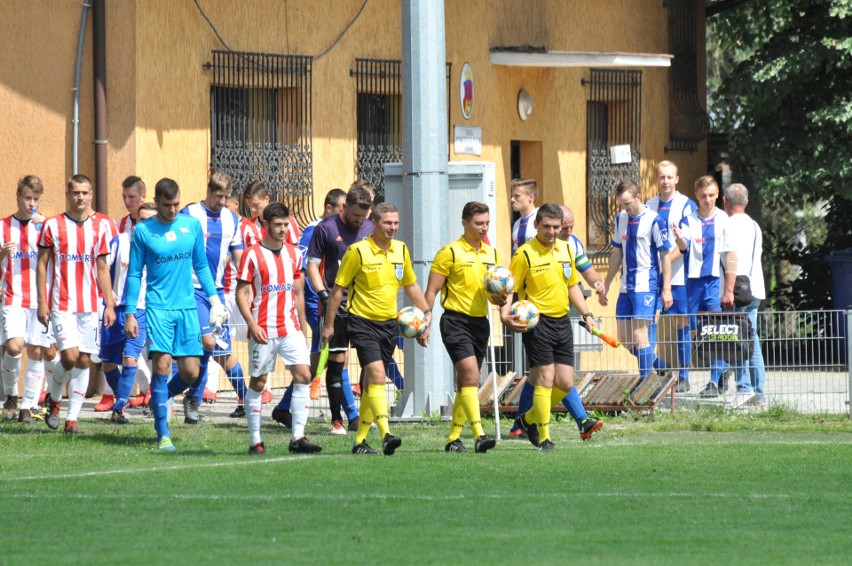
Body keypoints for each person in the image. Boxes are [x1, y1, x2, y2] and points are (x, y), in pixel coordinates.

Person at [322, 202, 431, 455]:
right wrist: (329, 324)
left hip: (389, 324)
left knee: (373, 386)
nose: (392, 227)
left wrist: (426, 314)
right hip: (361, 323)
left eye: (395, 223)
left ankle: (360, 442)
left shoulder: (401, 250)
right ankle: (386, 434)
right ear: (374, 223)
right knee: (378, 376)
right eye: (387, 223)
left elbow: (411, 285)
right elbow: (338, 291)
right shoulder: (357, 251)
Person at [124, 178, 224, 450]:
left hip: (187, 307)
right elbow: (134, 274)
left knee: (191, 373)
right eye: (167, 205)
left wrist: (214, 301)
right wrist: (131, 312)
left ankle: (161, 397)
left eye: (177, 204)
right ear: (157, 202)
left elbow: (201, 266)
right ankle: (163, 432)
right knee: (162, 366)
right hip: (158, 308)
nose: (173, 210)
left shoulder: (190, 226)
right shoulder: (144, 231)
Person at [274, 184, 373, 429]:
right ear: (343, 207)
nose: (360, 221)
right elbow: (309, 268)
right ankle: (349, 416)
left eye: (364, 216)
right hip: (326, 305)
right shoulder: (320, 229)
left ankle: (284, 407)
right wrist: (323, 297)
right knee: (335, 357)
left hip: (361, 306)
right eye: (356, 215)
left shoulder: (370, 228)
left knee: (323, 360)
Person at [500, 203, 597, 451]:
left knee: (564, 382)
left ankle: (527, 419)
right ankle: (543, 436)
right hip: (537, 323)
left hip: (563, 321)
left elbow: (572, 285)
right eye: (547, 227)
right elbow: (509, 288)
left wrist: (587, 314)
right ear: (536, 225)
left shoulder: (566, 249)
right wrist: (504, 315)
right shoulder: (524, 254)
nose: (552, 232)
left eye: (557, 227)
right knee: (545, 378)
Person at [236, 202, 322, 455]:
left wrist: (302, 326)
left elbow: (297, 292)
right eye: (278, 225)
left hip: (290, 328)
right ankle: (255, 441)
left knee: (305, 375)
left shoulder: (295, 254)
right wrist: (252, 324)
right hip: (263, 329)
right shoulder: (252, 254)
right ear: (265, 225)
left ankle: (298, 438)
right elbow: (241, 292)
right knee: (259, 382)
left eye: (286, 224)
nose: (284, 229)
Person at [36, 174, 116, 434]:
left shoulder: (99, 228)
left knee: (84, 360)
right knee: (69, 357)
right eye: (75, 193)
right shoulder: (52, 225)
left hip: (90, 306)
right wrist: (41, 302)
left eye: (85, 193)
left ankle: (72, 420)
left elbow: (102, 268)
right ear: (68, 195)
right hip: (62, 304)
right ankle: (54, 398)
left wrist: (110, 305)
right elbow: (42, 265)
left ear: (91, 196)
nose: (80, 197)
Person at [423, 201, 498, 453]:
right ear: (464, 223)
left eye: (486, 223)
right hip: (455, 321)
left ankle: (453, 439)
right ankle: (479, 435)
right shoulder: (450, 252)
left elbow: (496, 290)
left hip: (480, 323)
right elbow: (431, 290)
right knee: (470, 376)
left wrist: (502, 299)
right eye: (479, 223)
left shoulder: (492, 253)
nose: (484, 228)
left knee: (466, 382)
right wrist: (426, 318)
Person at [176, 172, 245, 424]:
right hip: (191, 291)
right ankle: (189, 398)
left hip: (217, 294)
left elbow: (238, 256)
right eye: (219, 196)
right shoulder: (189, 213)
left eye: (227, 197)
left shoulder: (231, 219)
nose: (223, 202)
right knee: (207, 343)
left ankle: (244, 399)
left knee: (218, 349)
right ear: (208, 191)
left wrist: (247, 285)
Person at [0, 175, 57, 423]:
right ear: (18, 197)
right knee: (13, 346)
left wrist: (49, 233)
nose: (31, 203)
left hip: (40, 299)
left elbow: (61, 259)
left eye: (35, 199)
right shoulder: (2, 226)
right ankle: (11, 395)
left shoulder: (47, 226)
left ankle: (28, 406)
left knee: (37, 350)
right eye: (27, 198)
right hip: (13, 297)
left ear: (40, 199)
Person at [604, 180, 673, 379]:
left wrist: (666, 289)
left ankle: (645, 385)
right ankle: (659, 365)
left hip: (646, 285)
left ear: (638, 197)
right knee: (625, 339)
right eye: (621, 204)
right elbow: (617, 253)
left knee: (639, 335)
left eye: (628, 203)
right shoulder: (620, 219)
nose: (625, 208)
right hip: (626, 286)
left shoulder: (654, 220)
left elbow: (665, 256)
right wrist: (607, 284)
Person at [670, 176, 732, 397]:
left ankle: (714, 381)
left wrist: (730, 287)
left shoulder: (724, 219)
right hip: (692, 281)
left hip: (714, 280)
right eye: (703, 195)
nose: (707, 199)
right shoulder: (688, 220)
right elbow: (684, 248)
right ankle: (684, 376)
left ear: (717, 195)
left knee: (714, 329)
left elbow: (729, 254)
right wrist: (679, 239)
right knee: (688, 327)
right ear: (696, 195)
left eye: (711, 195)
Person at [99, 202, 158, 424]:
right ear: (134, 222)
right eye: (141, 220)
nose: (146, 225)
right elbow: (102, 267)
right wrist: (108, 299)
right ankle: (120, 399)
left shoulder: (157, 246)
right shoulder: (120, 241)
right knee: (108, 363)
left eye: (151, 220)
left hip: (142, 310)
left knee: (131, 358)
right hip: (115, 310)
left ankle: (119, 407)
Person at [646, 161, 697, 391]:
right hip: (654, 278)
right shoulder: (648, 205)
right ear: (656, 179)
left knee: (681, 322)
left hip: (679, 277)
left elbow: (684, 244)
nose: (665, 181)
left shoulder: (686, 205)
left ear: (677, 179)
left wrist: (664, 262)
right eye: (661, 177)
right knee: (649, 322)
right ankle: (660, 367)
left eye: (669, 177)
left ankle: (684, 376)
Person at [720, 183, 767, 408]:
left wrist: (728, 290)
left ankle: (743, 388)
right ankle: (759, 393)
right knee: (753, 340)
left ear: (725, 201)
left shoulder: (729, 224)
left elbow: (732, 258)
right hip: (755, 288)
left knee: (737, 340)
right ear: (746, 202)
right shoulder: (754, 225)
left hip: (738, 289)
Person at [115, 175, 153, 409]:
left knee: (155, 353)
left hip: (156, 302)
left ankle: (157, 395)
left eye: (132, 197)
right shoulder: (122, 228)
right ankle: (121, 401)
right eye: (125, 197)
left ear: (143, 197)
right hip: (132, 302)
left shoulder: (160, 228)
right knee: (127, 352)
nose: (128, 202)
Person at [510, 178, 539, 253]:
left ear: (531, 197)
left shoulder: (542, 218)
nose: (512, 199)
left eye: (517, 196)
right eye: (512, 196)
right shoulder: (517, 223)